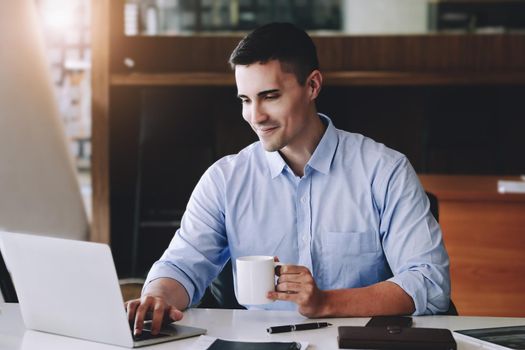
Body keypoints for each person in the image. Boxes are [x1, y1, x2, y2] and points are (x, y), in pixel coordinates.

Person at [126, 22, 451, 336]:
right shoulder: (224, 179)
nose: (255, 116)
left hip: (358, 343)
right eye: (245, 100)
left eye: (270, 96)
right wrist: (158, 297)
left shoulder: (384, 170)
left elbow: (431, 284)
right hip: (257, 346)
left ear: (312, 86)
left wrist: (325, 302)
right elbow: (182, 267)